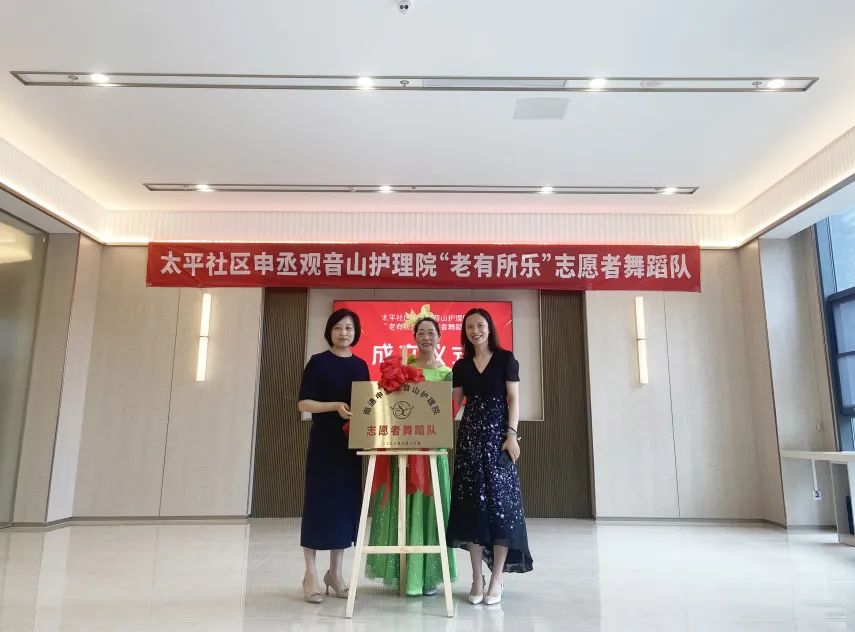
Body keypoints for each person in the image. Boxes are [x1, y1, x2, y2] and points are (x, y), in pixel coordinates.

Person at [365, 316, 459, 595]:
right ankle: (402, 570)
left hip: (432, 450)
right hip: (404, 448)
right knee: (402, 505)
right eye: (421, 333)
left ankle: (427, 575)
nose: (426, 337)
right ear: (414, 337)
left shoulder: (448, 373)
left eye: (431, 333)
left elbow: (450, 411)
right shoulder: (403, 369)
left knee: (431, 507)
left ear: (440, 337)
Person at [447, 307, 533, 606]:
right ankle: (476, 578)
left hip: (498, 440)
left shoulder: (506, 359)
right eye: (470, 326)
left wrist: (512, 435)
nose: (475, 331)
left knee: (501, 509)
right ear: (465, 332)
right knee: (472, 509)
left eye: (480, 325)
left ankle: (496, 578)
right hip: (470, 441)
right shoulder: (461, 365)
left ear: (489, 328)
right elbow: (454, 404)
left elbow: (514, 399)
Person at [297, 308, 370, 604]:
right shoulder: (318, 362)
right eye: (338, 327)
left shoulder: (361, 365)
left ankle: (335, 574)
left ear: (356, 333)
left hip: (350, 446)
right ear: (329, 331)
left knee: (343, 508)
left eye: (349, 328)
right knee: (318, 505)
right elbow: (304, 403)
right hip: (323, 443)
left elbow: (367, 404)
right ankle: (310, 574)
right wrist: (335, 406)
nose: (344, 333)